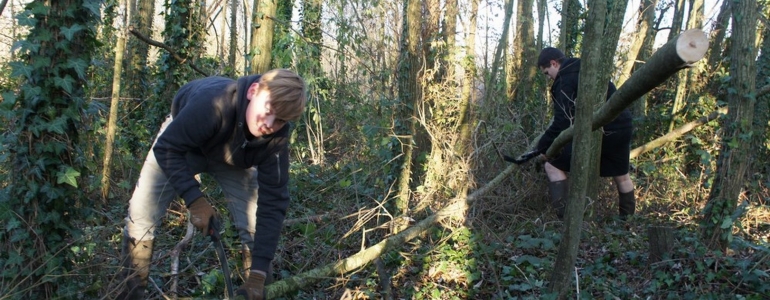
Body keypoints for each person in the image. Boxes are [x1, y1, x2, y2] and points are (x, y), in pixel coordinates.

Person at [118, 69, 307, 300]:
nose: (268, 124)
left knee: (255, 224)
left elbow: (274, 201)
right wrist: (195, 201)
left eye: (279, 120)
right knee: (141, 214)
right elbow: (167, 148)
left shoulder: (275, 140)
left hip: (234, 157)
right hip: (182, 147)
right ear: (253, 91)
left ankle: (255, 286)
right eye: (268, 111)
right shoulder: (212, 104)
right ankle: (130, 294)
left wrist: (258, 275)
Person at [528, 47, 635, 220]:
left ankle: (565, 220)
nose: (549, 78)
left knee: (552, 165)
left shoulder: (565, 79)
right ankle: (627, 223)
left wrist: (543, 147)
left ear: (554, 63)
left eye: (547, 73)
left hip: (604, 130)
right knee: (622, 175)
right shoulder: (586, 68)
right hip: (624, 125)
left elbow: (562, 120)